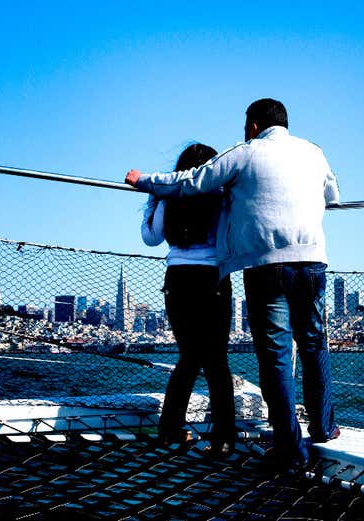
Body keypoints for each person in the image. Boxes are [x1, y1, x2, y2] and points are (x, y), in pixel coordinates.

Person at [125, 98, 340, 471]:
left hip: (248, 268)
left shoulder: (244, 154)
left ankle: (286, 446)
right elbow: (333, 197)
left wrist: (147, 183)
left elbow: (185, 192)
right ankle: (321, 426)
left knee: (264, 356)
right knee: (311, 344)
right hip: (300, 262)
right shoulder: (314, 153)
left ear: (254, 126)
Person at [141, 143, 236, 457]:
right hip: (212, 277)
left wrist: (154, 198)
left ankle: (170, 431)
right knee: (216, 362)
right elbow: (228, 238)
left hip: (178, 278)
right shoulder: (220, 197)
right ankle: (223, 439)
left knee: (188, 357)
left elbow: (151, 238)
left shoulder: (169, 196)